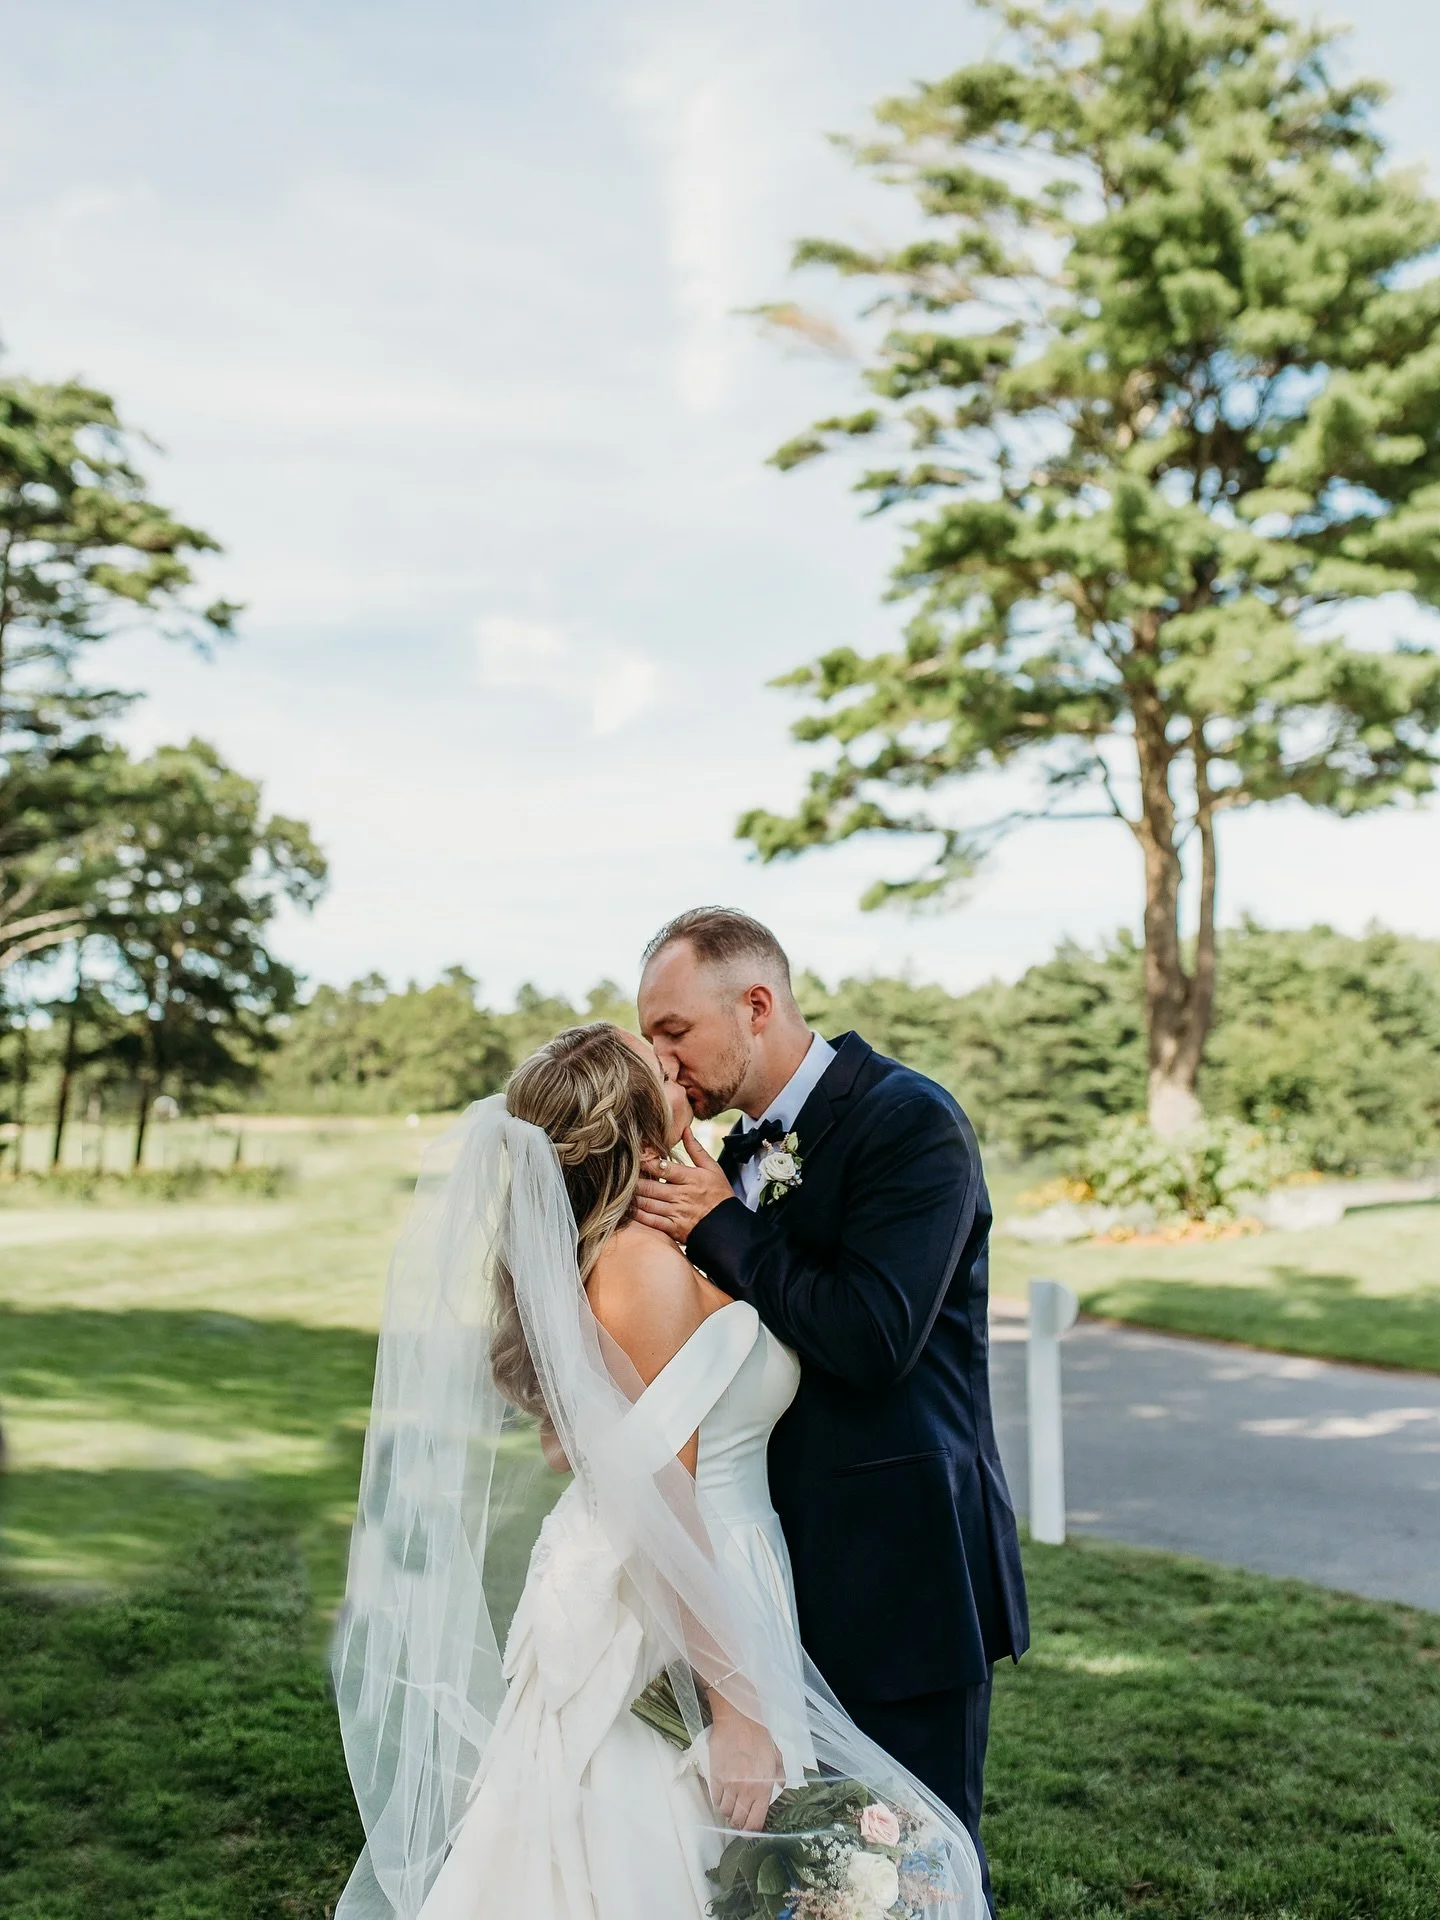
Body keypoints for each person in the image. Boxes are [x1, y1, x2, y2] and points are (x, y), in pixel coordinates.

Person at [332, 1020, 987, 1920]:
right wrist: (741, 1709)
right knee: (652, 1850)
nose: (675, 1063)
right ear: (638, 1127)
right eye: (657, 1063)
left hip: (713, 1563)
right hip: (676, 1588)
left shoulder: (643, 1249)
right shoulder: (640, 1268)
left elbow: (580, 1444)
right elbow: (659, 1504)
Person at [634, 908, 1027, 1912]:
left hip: (903, 1569)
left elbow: (873, 1334)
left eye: (674, 1028)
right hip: (784, 1568)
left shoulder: (909, 1120)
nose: (658, 1055)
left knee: (914, 1869)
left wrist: (723, 1225)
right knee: (810, 1876)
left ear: (755, 1005)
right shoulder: (742, 1146)